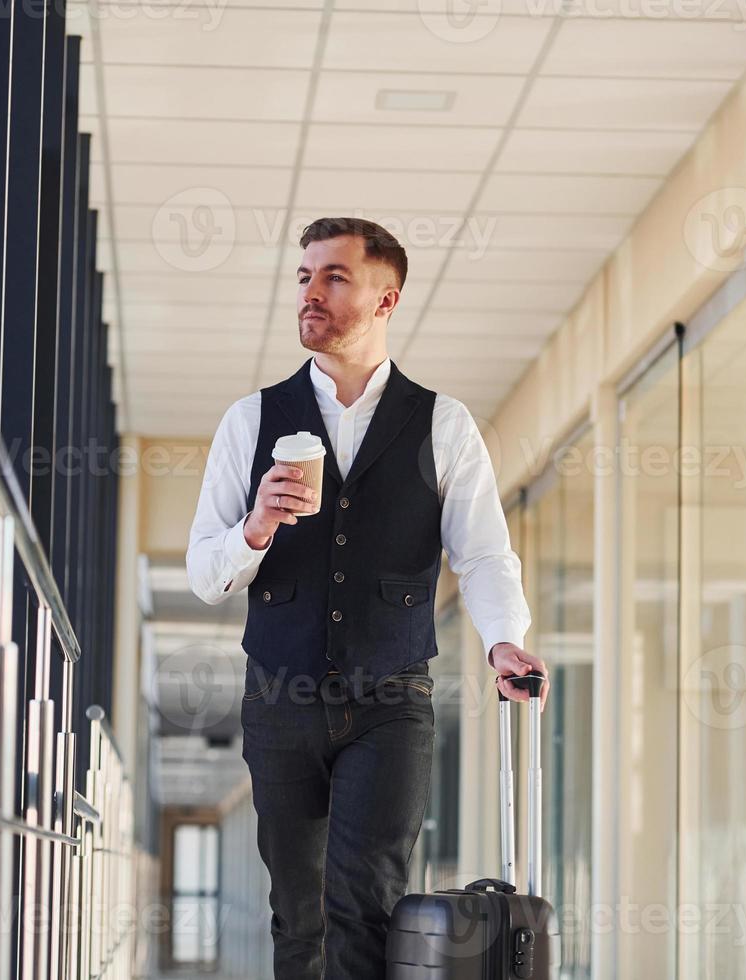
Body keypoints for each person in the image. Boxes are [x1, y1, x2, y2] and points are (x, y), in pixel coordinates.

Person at [186, 215, 549, 979]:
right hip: (280, 698)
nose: (310, 294)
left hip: (390, 699)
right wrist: (255, 528)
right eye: (304, 277)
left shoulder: (443, 425)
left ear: (386, 300)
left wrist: (502, 639)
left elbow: (483, 553)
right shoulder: (250, 421)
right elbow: (203, 571)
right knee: (300, 915)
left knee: (366, 905)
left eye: (334, 277)